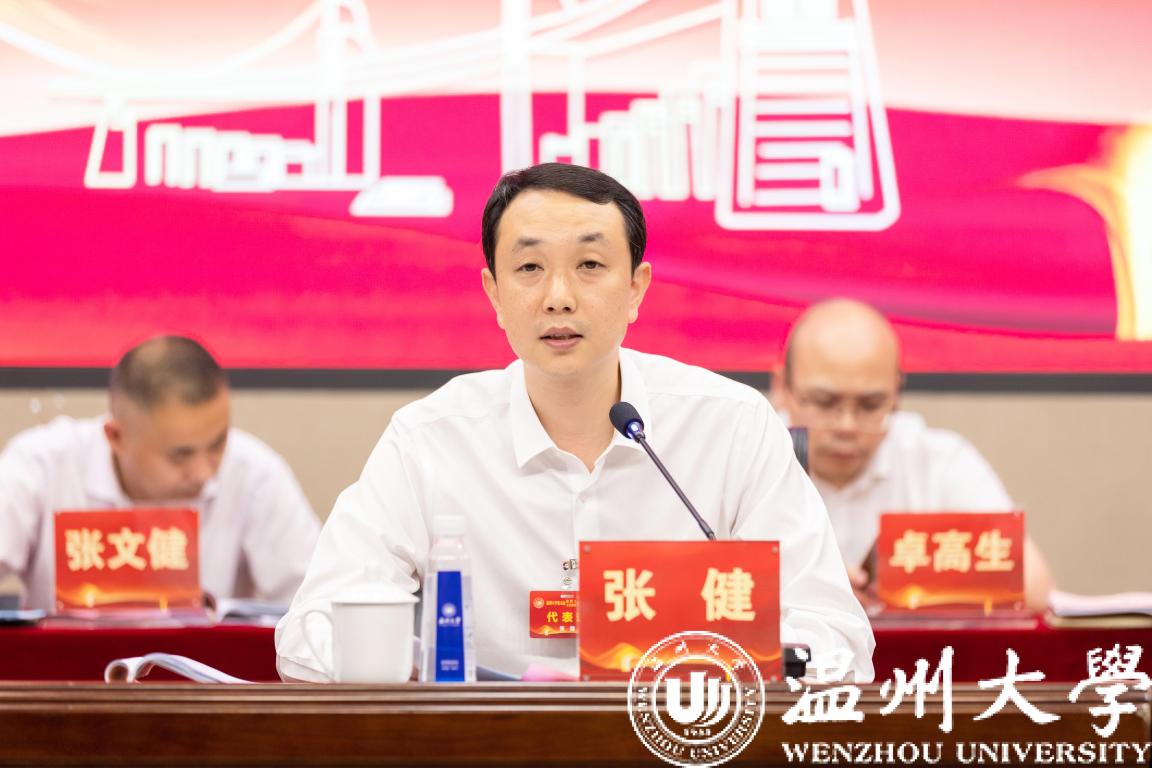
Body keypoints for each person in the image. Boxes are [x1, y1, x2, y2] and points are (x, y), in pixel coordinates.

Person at [276, 163, 873, 682]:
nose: (558, 297)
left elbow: (837, 639)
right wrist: (402, 662)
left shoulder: (731, 427)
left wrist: (709, 669)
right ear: (494, 293)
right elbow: (309, 632)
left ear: (636, 288)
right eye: (529, 267)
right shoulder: (430, 441)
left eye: (589, 264)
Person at [771, 298, 1055, 611]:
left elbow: (1037, 592)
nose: (847, 426)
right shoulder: (748, 457)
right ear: (782, 387)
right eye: (824, 402)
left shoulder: (938, 462)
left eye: (870, 406)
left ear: (896, 392)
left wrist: (913, 585)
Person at [0, 336, 321, 611]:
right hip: (63, 667)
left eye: (217, 444)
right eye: (181, 455)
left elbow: (316, 604)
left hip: (204, 668)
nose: (204, 472)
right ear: (116, 437)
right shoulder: (41, 465)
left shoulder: (254, 474)